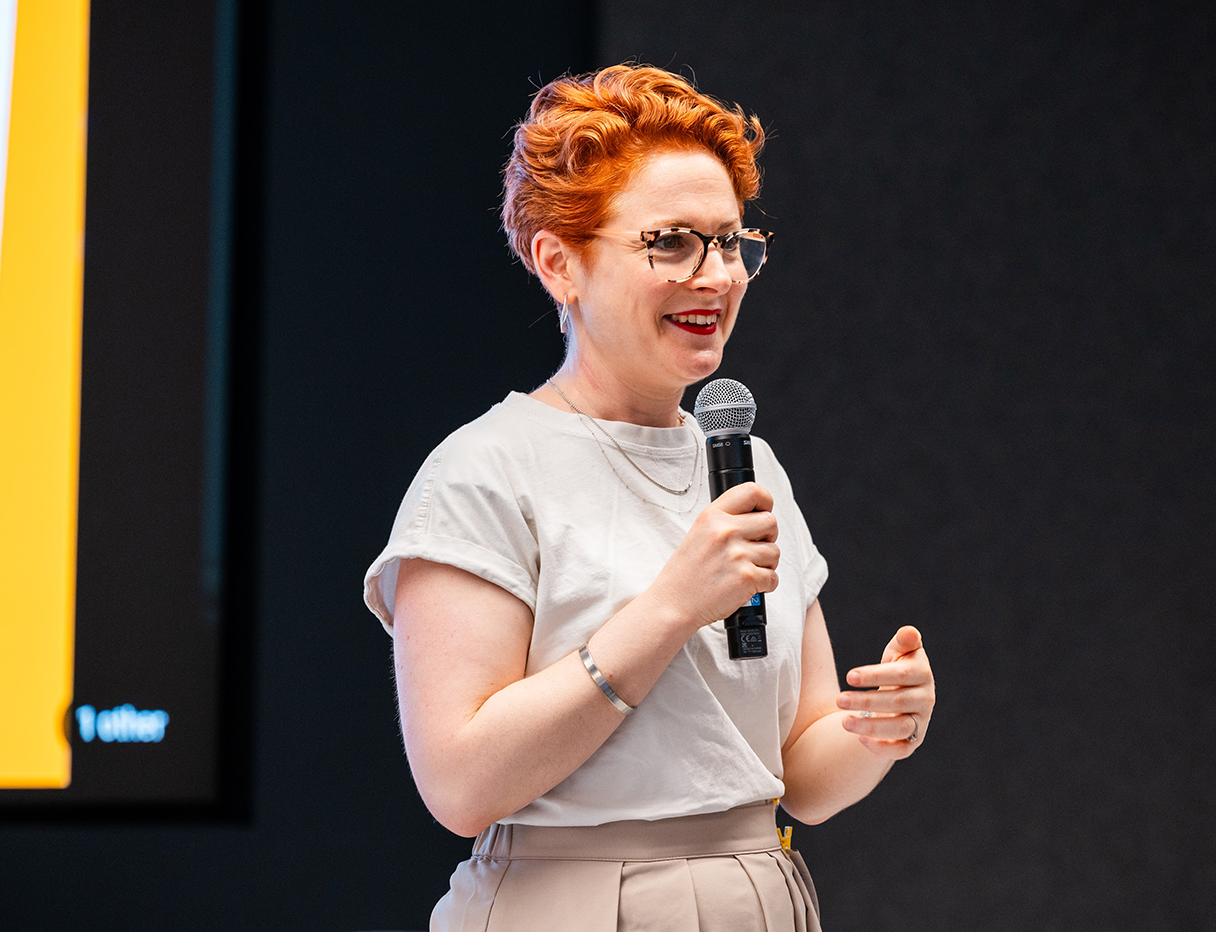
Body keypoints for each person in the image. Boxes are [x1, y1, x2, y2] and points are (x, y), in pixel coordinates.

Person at [363, 64, 935, 932]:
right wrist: (669, 607)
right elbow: (460, 785)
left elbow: (802, 778)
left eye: (732, 241)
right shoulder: (484, 471)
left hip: (760, 891)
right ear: (561, 264)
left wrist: (880, 728)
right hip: (571, 904)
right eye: (672, 243)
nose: (717, 275)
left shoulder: (750, 464)